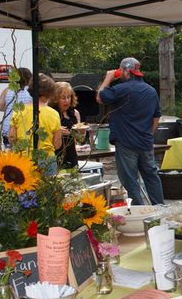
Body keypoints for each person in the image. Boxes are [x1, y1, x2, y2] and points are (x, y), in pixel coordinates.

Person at [96, 57, 164, 205]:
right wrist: (149, 135)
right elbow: (156, 117)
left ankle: (140, 211)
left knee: (129, 179)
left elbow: (100, 98)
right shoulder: (151, 91)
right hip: (146, 142)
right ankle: (160, 209)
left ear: (125, 72)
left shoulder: (121, 89)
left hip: (126, 143)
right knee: (151, 176)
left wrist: (108, 78)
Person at [8, 73, 62, 175]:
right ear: (49, 93)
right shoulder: (53, 113)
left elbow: (11, 138)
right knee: (47, 189)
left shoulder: (19, 111)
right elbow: (57, 144)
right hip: (47, 159)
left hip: (24, 158)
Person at [0, 67, 32, 147]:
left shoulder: (7, 90)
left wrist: (10, 108)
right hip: (24, 127)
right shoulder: (31, 91)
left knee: (10, 153)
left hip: (8, 127)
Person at [50, 82, 81, 169]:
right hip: (55, 154)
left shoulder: (75, 113)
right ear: (55, 99)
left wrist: (82, 131)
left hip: (71, 154)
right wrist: (57, 130)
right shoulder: (51, 113)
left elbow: (79, 138)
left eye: (69, 97)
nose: (67, 101)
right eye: (63, 98)